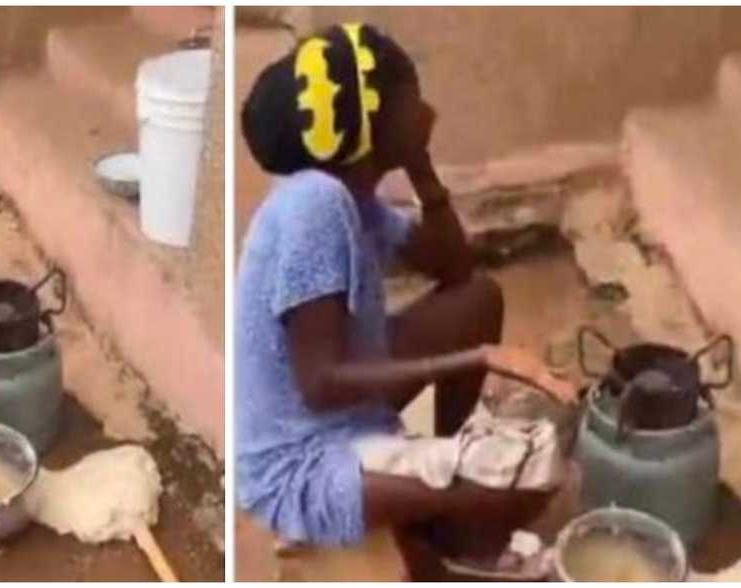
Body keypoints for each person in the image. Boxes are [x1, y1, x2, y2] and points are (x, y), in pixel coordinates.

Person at [235, 23, 577, 579]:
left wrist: (421, 166)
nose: (425, 109)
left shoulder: (351, 194)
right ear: (373, 123)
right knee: (532, 471)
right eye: (410, 99)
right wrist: (478, 359)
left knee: (477, 300)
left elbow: (456, 268)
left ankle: (435, 486)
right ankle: (444, 517)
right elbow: (320, 384)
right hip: (302, 463)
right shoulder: (316, 205)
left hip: (353, 405)